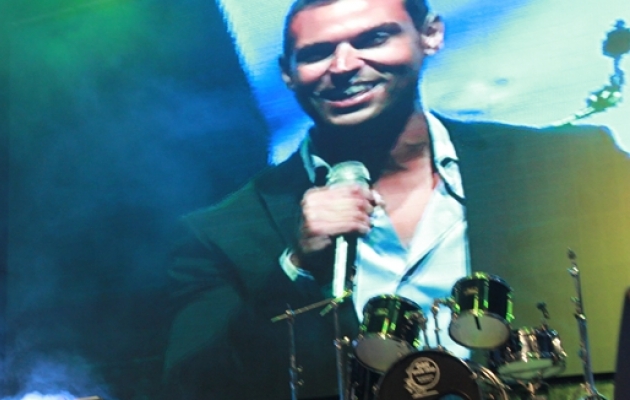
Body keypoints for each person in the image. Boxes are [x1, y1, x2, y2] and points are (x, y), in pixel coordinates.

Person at [162, 0, 630, 398]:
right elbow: (195, 387)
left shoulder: (567, 164)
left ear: (430, 35)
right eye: (318, 52)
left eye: (373, 38)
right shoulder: (221, 232)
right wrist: (297, 267)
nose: (343, 66)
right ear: (287, 72)